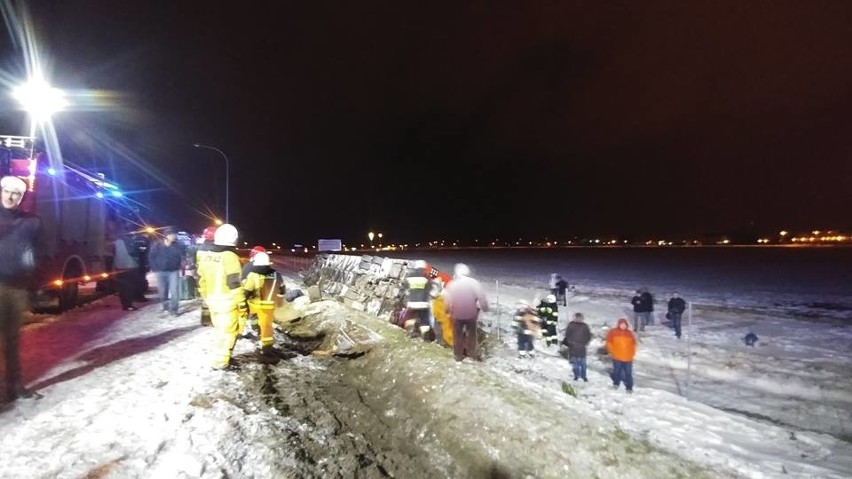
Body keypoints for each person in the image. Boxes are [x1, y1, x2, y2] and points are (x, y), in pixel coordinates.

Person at [0, 175, 44, 403]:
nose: (11, 196)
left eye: (16, 193)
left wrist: (36, 286)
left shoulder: (31, 222)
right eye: (7, 191)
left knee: (13, 340)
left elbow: (36, 255)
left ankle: (15, 387)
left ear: (22, 197)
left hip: (17, 288)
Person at [197, 223, 246, 370]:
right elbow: (234, 283)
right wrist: (242, 302)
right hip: (228, 302)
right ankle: (221, 362)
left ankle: (222, 357)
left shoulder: (207, 256)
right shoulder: (230, 257)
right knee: (228, 333)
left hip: (212, 299)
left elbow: (201, 279)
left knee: (220, 331)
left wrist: (205, 296)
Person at [242, 251, 285, 357]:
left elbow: (247, 291)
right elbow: (282, 289)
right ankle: (267, 348)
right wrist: (279, 302)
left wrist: (243, 302)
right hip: (269, 306)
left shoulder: (253, 275)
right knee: (267, 327)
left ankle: (245, 331)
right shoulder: (276, 274)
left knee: (244, 316)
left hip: (255, 304)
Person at [443, 263, 488, 362]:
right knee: (471, 335)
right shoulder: (474, 283)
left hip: (457, 314)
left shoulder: (452, 284)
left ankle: (458, 356)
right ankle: (471, 355)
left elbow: (447, 301)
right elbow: (481, 297)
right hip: (471, 314)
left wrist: (447, 311)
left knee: (457, 335)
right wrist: (485, 308)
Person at [148, 226, 185, 316]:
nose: (174, 236)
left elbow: (182, 257)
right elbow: (151, 257)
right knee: (162, 291)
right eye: (171, 235)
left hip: (173, 271)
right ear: (166, 236)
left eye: (174, 235)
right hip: (160, 272)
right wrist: (154, 268)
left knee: (174, 291)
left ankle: (174, 309)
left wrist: (182, 267)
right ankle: (165, 306)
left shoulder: (178, 245)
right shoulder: (157, 245)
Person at [402, 260, 435, 341]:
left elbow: (405, 286)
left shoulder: (410, 276)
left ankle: (409, 333)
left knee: (410, 318)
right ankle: (425, 337)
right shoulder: (426, 276)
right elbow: (430, 288)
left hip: (412, 303)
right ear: (424, 268)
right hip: (423, 304)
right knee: (424, 321)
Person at [113, 229, 141, 311]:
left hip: (119, 266)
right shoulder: (129, 241)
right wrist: (138, 260)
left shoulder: (116, 242)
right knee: (129, 287)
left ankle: (124, 305)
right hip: (130, 266)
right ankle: (129, 304)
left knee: (122, 287)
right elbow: (133, 252)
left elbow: (112, 253)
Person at [606, 318, 637, 393]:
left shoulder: (629, 333)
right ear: (618, 324)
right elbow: (609, 343)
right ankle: (616, 383)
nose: (623, 326)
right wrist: (612, 352)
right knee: (617, 371)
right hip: (617, 357)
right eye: (621, 324)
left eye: (624, 325)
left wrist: (632, 354)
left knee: (628, 373)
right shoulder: (613, 332)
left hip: (628, 357)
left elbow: (634, 345)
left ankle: (629, 387)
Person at [195, 226, 217, 326]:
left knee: (205, 298)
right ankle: (213, 320)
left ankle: (205, 319)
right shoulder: (216, 248)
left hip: (202, 275)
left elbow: (196, 263)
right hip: (213, 275)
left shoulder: (200, 247)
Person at [562, 313, 592, 381]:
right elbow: (567, 335)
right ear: (574, 318)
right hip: (573, 347)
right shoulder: (571, 325)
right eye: (577, 318)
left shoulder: (584, 326)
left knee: (583, 364)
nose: (579, 319)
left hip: (582, 347)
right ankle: (576, 375)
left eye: (580, 318)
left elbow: (588, 335)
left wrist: (585, 342)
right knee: (575, 364)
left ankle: (584, 376)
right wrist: (570, 342)